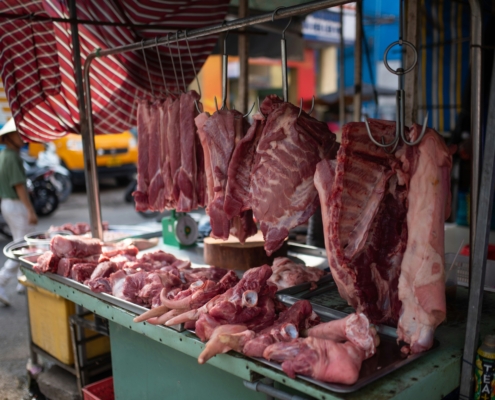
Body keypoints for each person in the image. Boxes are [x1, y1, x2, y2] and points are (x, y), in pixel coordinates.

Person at [0, 118, 38, 306]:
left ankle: (22, 283)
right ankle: (2, 280)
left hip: (8, 204)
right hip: (16, 204)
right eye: (18, 134)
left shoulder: (4, 155)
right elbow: (19, 186)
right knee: (22, 246)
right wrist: (30, 210)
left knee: (20, 242)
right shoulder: (12, 157)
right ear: (8, 137)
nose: (22, 137)